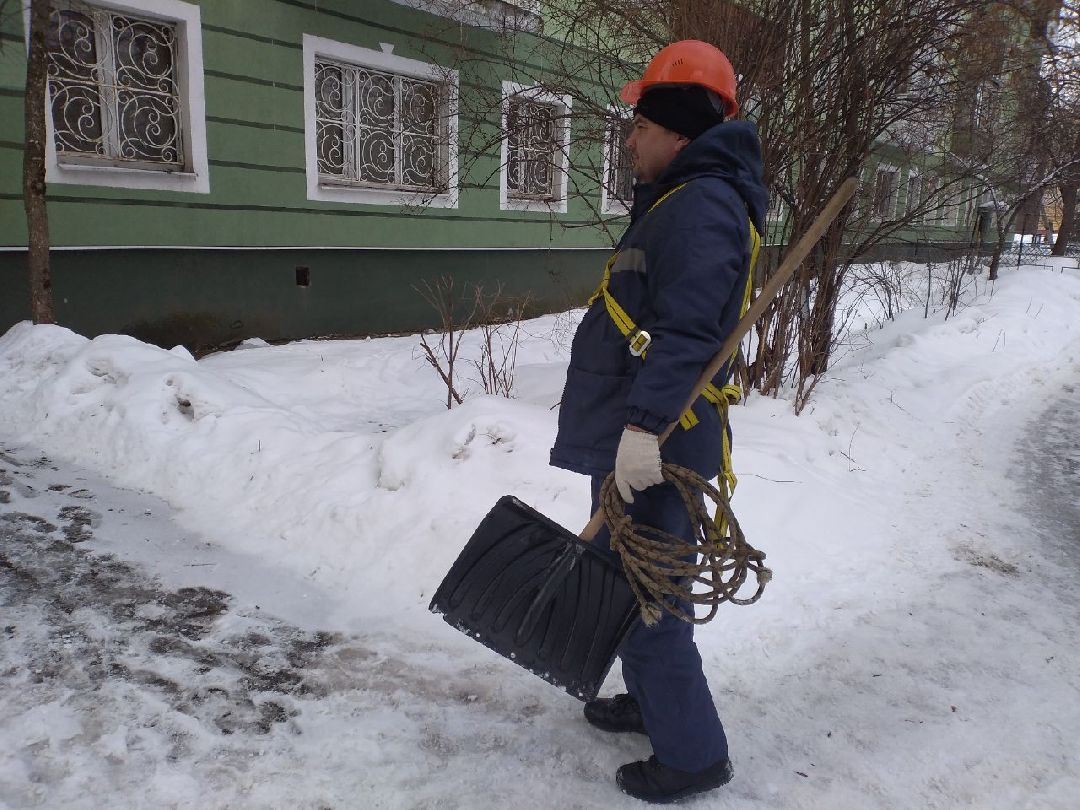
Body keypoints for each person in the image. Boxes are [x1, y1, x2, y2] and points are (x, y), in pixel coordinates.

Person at [549, 40, 768, 803]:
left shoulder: (702, 205)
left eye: (640, 124)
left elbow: (689, 334)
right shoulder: (684, 199)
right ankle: (652, 703)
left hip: (659, 439)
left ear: (677, 129)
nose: (630, 139)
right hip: (641, 436)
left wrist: (644, 428)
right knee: (631, 580)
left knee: (650, 597)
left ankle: (692, 753)